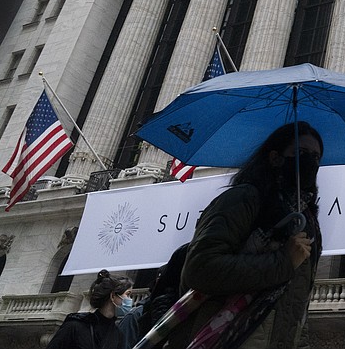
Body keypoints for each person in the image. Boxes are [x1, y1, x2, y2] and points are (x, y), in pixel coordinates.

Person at [167, 121, 323, 349]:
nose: (310, 162)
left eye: (317, 157)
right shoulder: (243, 199)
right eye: (301, 153)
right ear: (274, 157)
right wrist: (283, 262)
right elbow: (200, 269)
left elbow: (296, 306)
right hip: (218, 339)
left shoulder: (306, 221)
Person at [47, 269, 133, 349]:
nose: (130, 300)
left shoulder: (118, 335)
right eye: (128, 294)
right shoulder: (74, 326)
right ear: (113, 296)